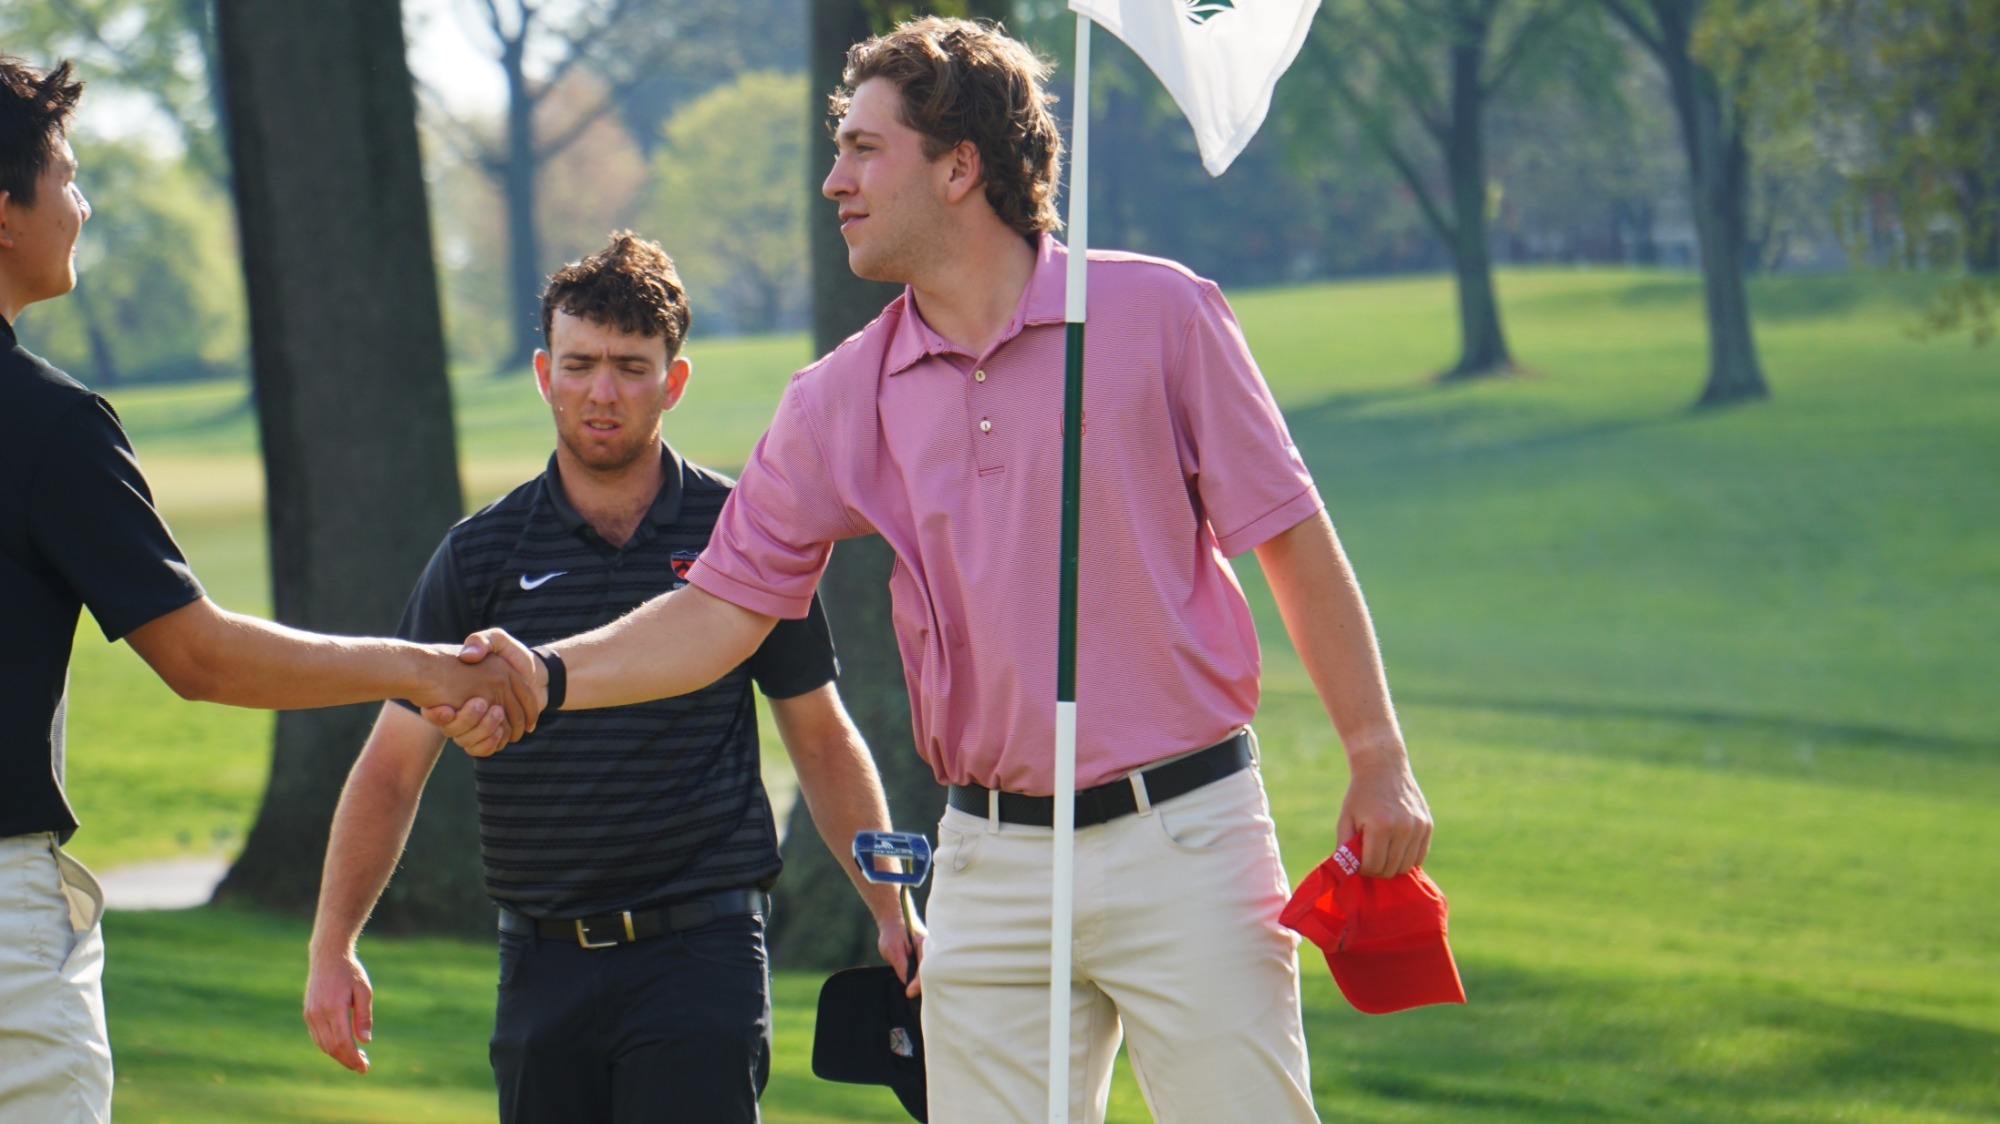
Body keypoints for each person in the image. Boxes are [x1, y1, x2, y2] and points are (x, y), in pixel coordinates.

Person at [436, 18, 1434, 1123]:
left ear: (959, 166)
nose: (834, 181)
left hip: (1185, 838)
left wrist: (1375, 753)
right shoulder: (835, 398)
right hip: (989, 864)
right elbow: (718, 610)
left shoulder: (1160, 314)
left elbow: (1288, 537)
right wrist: (547, 673)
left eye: (865, 149)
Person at [0, 56, 534, 1124]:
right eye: (62, 174)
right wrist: (424, 667)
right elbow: (199, 657)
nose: (82, 202)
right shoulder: (45, 424)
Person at [305, 233, 919, 1123]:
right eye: (582, 363)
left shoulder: (740, 533)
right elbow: (393, 767)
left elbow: (821, 737)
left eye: (631, 367)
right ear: (544, 371)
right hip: (539, 964)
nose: (603, 391)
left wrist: (890, 909)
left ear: (673, 382)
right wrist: (333, 945)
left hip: (700, 955)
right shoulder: (479, 554)